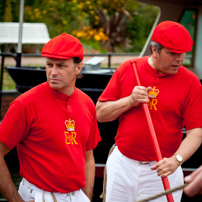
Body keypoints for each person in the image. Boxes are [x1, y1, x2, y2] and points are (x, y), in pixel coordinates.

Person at [96, 21, 202, 202]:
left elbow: (196, 133)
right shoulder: (128, 68)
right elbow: (100, 114)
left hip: (164, 168)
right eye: (172, 54)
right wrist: (129, 101)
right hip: (122, 165)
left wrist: (176, 160)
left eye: (182, 54)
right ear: (154, 50)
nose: (179, 59)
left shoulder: (191, 82)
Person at [0, 33, 101, 202]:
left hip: (77, 197)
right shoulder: (25, 104)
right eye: (49, 65)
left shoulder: (87, 103)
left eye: (61, 66)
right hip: (38, 196)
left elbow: (88, 156)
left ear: (78, 67)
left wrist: (86, 197)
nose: (53, 72)